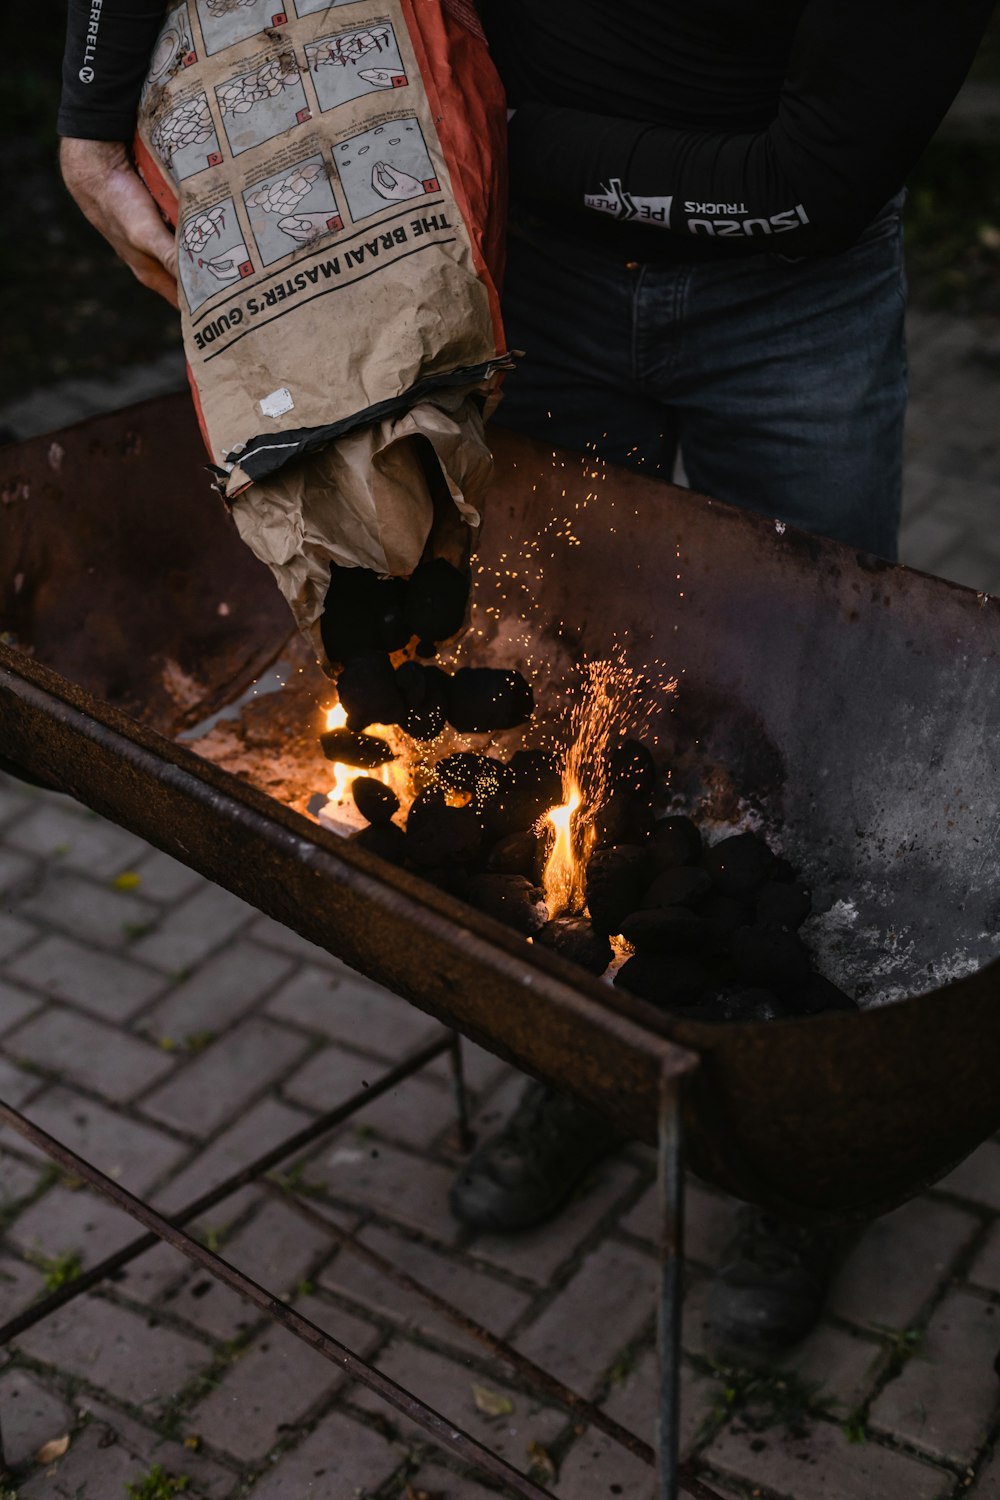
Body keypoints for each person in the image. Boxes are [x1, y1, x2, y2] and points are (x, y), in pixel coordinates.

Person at [58, 0, 995, 1362]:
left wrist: (480, 124)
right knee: (549, 693)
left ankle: (794, 1150)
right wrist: (94, 121)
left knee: (811, 737)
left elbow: (814, 182)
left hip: (791, 299)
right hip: (524, 277)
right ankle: (588, 1041)